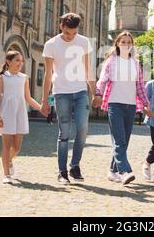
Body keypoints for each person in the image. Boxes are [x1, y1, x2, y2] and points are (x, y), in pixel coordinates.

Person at [93, 30, 154, 185]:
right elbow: (102, 80)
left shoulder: (135, 64)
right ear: (118, 44)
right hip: (114, 104)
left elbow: (140, 86)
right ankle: (125, 171)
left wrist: (146, 104)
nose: (126, 44)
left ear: (132, 45)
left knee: (124, 141)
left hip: (131, 106)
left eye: (129, 42)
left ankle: (112, 171)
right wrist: (98, 94)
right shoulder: (111, 61)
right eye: (123, 42)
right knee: (120, 140)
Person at [41, 13, 95, 185]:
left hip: (80, 92)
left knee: (82, 129)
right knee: (64, 133)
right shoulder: (51, 45)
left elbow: (88, 70)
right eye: (67, 34)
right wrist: (44, 100)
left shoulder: (84, 42)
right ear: (61, 27)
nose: (70, 37)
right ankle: (62, 172)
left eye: (73, 33)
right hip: (61, 92)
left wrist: (95, 93)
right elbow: (48, 74)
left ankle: (75, 165)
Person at [0, 51, 43, 184]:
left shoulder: (24, 78)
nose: (20, 63)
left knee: (17, 147)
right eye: (17, 60)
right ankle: (6, 174)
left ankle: (9, 160)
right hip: (6, 113)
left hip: (20, 112)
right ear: (8, 62)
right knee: (6, 145)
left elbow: (28, 98)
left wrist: (41, 108)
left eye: (21, 61)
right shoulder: (2, 78)